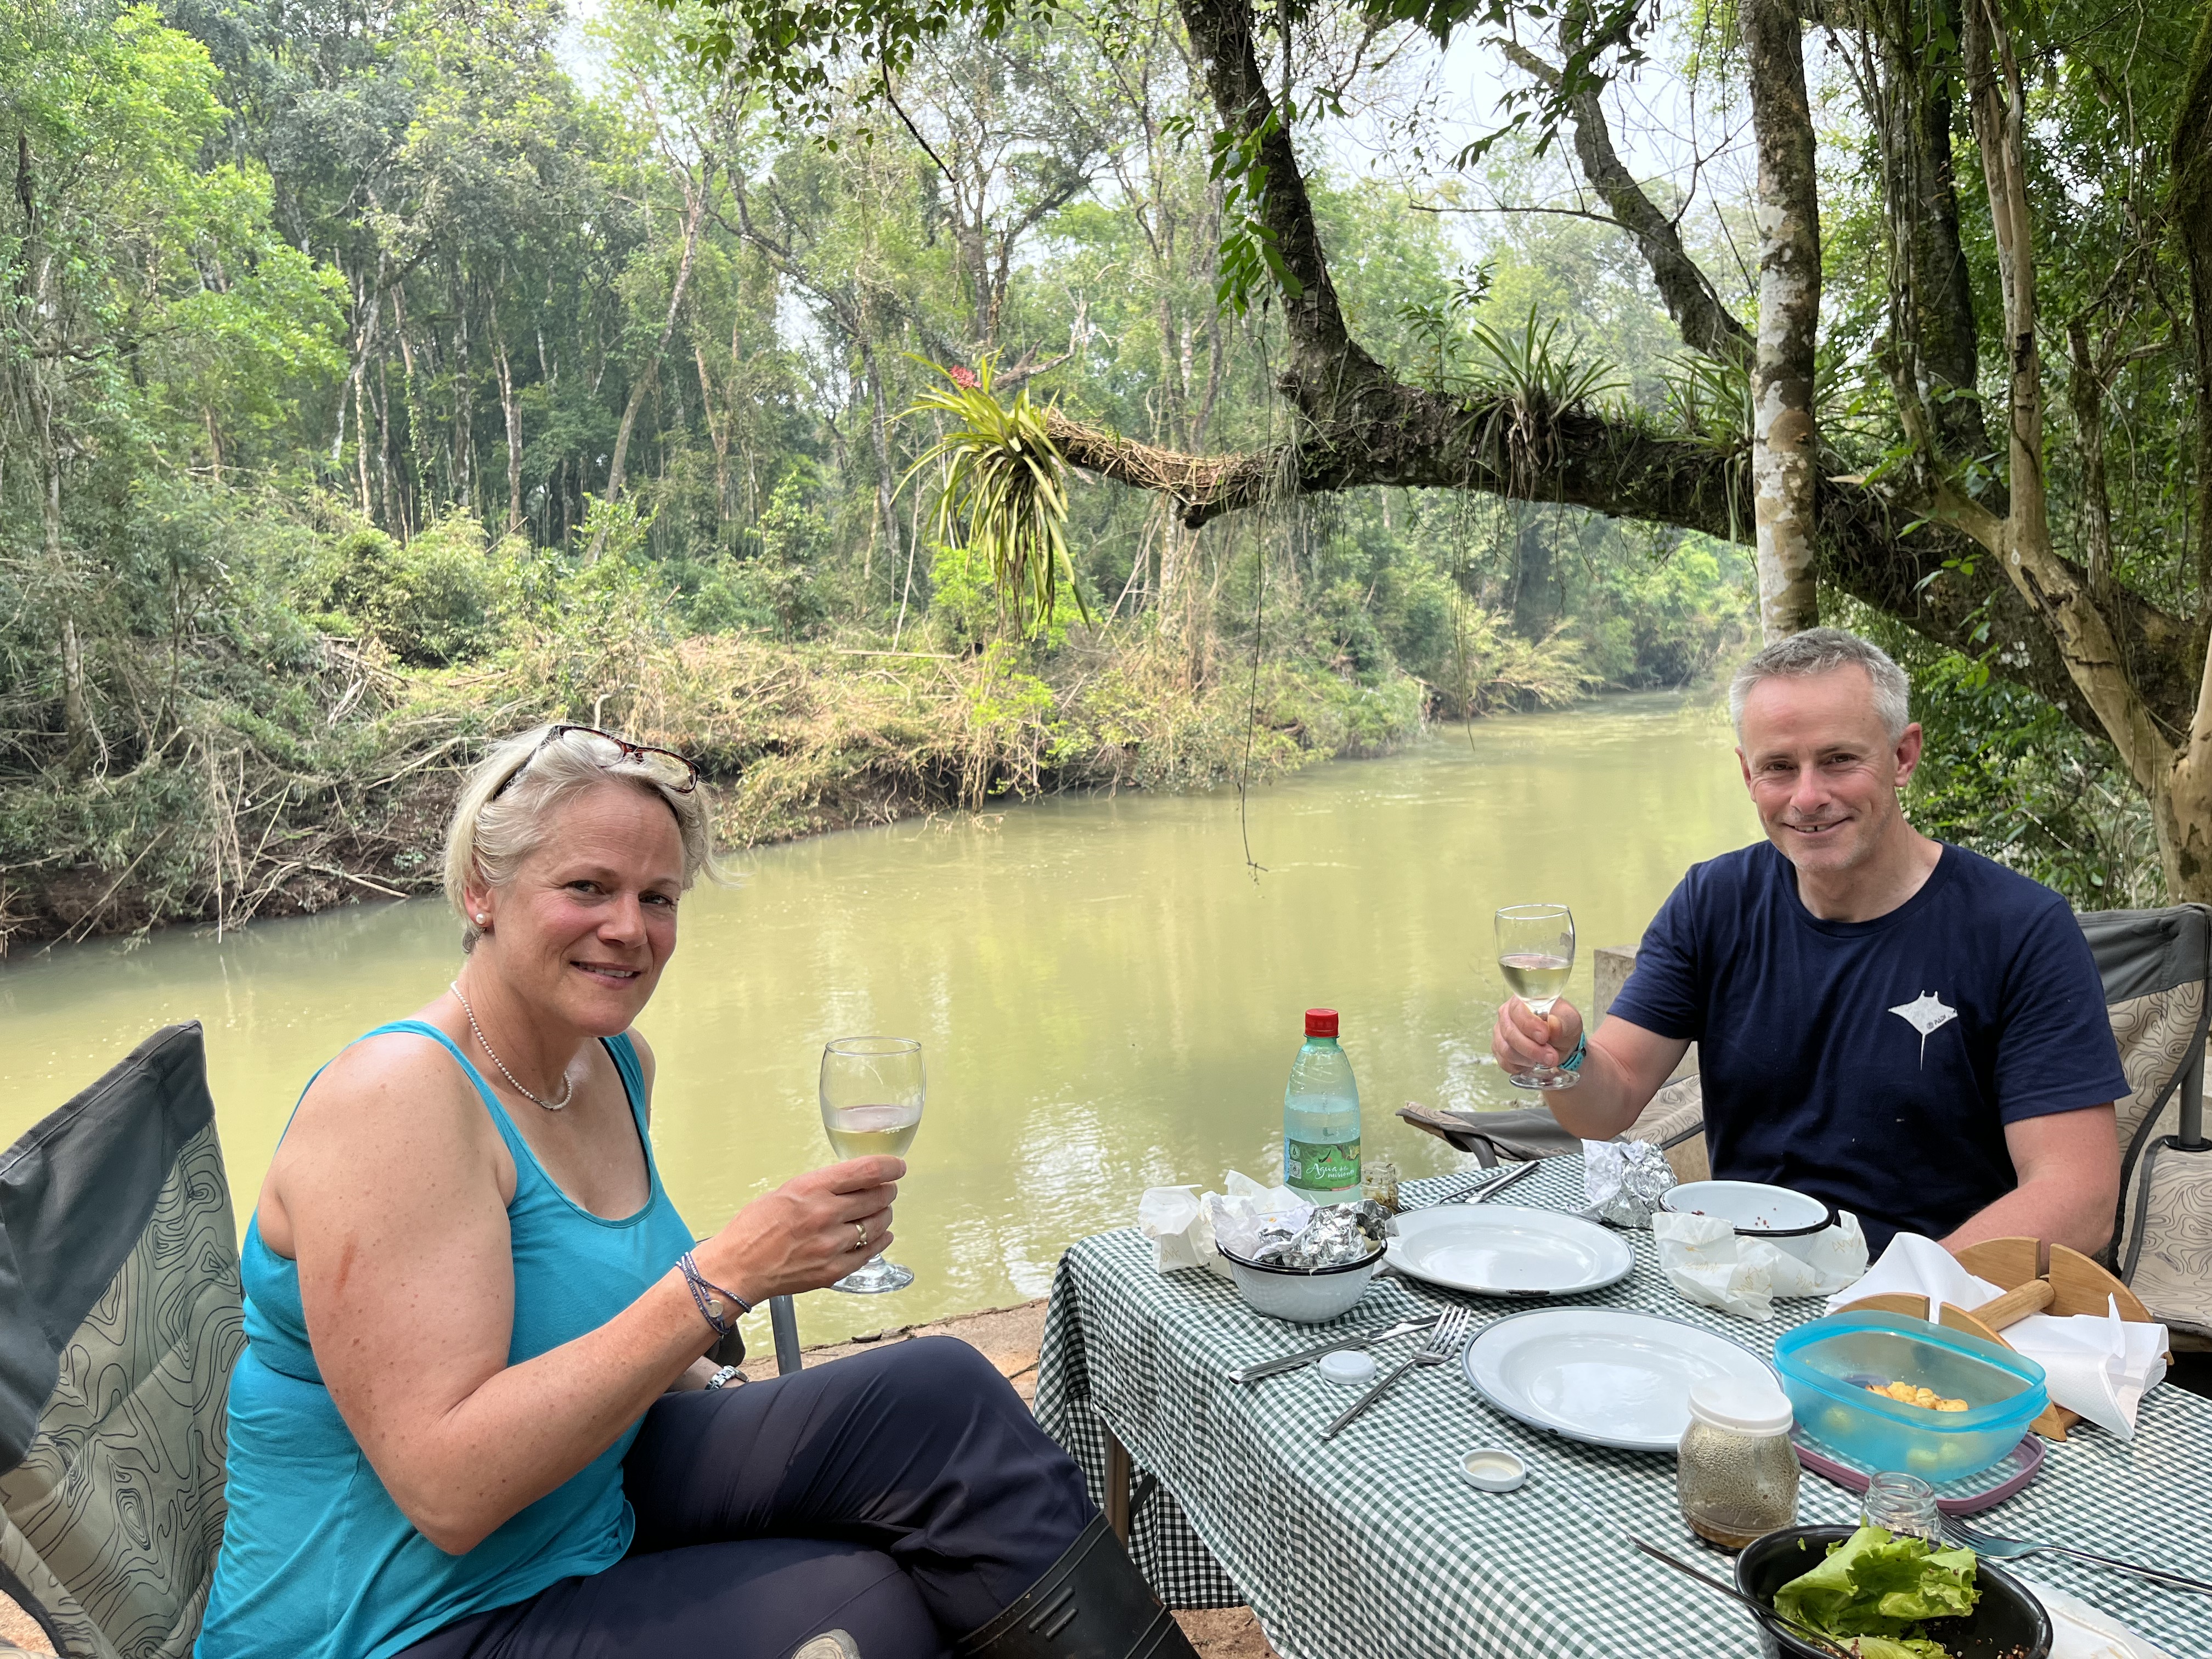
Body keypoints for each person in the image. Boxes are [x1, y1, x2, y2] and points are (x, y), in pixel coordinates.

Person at [197, 724, 1195, 1659]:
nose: (628, 929)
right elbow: (449, 1492)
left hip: (585, 1500)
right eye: (587, 887)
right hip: (409, 1620)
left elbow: (577, 1306)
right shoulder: (397, 1099)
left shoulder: (611, 1060)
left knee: (939, 1397)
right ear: (480, 892)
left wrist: (713, 1381)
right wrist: (723, 1276)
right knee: (864, 1603)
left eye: (659, 897)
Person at [1491, 629, 2128, 1258]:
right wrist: (1566, 1058)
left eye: (1839, 760)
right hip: (1744, 1278)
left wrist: (1903, 1291)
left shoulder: (2020, 929)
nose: (1808, 797)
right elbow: (1608, 1105)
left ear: (1903, 756)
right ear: (1747, 773)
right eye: (1778, 767)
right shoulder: (1713, 903)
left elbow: (2080, 1197)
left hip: (1945, 1292)